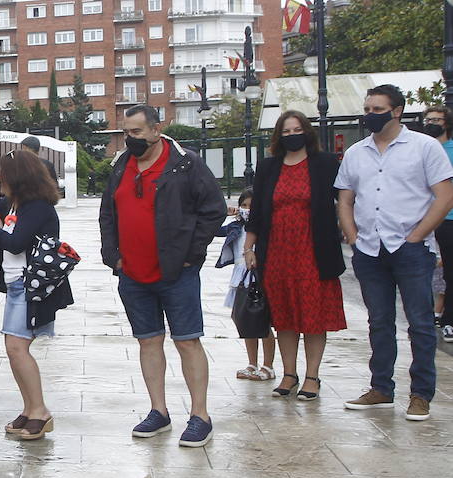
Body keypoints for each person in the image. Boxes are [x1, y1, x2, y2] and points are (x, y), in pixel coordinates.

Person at [99, 104, 226, 448]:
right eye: (127, 132)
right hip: (133, 274)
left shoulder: (185, 163)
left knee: (186, 340)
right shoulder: (122, 165)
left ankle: (200, 415)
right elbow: (107, 213)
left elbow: (214, 210)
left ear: (157, 130)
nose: (130, 139)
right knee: (148, 340)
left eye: (137, 132)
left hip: (176, 272)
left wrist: (191, 252)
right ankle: (159, 411)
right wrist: (113, 256)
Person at [336, 85, 453, 421]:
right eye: (367, 108)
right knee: (379, 321)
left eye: (377, 109)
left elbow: (445, 196)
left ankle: (421, 394)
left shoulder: (424, 147)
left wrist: (417, 235)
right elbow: (345, 198)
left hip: (411, 248)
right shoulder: (357, 152)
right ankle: (381, 388)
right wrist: (353, 236)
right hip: (370, 248)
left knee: (419, 322)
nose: (370, 114)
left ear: (397, 110)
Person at [244, 112, 347, 402]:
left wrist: (348, 228)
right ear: (279, 135)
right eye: (286, 130)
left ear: (307, 132)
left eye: (296, 129)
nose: (292, 134)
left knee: (314, 316)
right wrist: (249, 248)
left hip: (315, 250)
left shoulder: (325, 164)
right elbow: (258, 212)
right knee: (284, 316)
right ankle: (289, 374)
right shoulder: (268, 167)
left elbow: (345, 200)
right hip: (277, 251)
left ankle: (312, 376)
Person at [0, 149, 71, 440]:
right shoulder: (14, 204)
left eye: (3, 173)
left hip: (31, 287)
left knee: (17, 349)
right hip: (16, 285)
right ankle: (29, 409)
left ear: (18, 178)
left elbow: (15, 243)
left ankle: (40, 411)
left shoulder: (38, 207)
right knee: (14, 349)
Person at [218, 191, 277, 382]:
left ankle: (268, 365)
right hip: (240, 279)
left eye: (252, 206)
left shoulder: (266, 228)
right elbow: (213, 229)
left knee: (262, 322)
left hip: (260, 278)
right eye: (244, 205)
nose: (247, 210)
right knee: (245, 321)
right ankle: (252, 363)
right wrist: (222, 213)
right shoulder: (236, 227)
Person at [422, 104, 453, 342]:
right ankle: (437, 313)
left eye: (437, 119)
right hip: (426, 219)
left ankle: (448, 317)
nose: (432, 123)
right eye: (429, 119)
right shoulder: (421, 148)